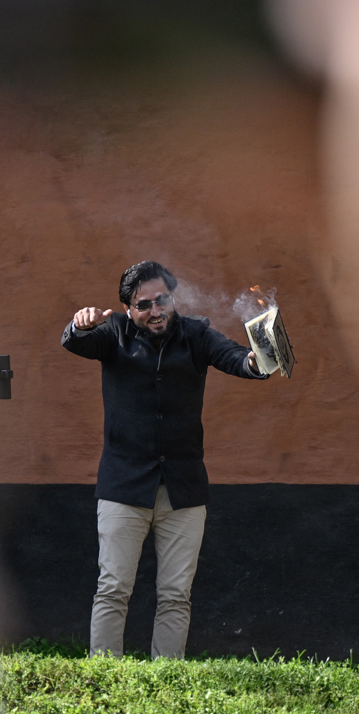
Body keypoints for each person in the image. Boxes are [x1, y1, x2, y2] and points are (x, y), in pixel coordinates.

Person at [61, 261, 270, 659]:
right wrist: (81, 325)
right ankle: (103, 677)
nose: (155, 311)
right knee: (112, 588)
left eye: (162, 300)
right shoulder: (112, 333)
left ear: (172, 298)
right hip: (123, 486)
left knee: (176, 594)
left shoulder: (196, 334)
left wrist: (263, 355)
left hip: (183, 490)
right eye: (144, 305)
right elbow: (75, 342)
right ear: (128, 308)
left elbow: (239, 360)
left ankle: (167, 678)